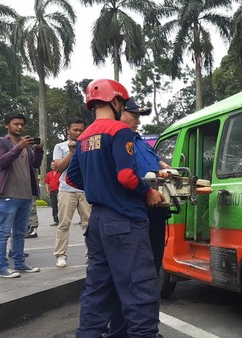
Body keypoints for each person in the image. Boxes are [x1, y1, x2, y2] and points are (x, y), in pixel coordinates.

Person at [66, 79, 164, 337]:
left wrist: (99, 181)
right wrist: (148, 192)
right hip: (124, 221)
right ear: (115, 101)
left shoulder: (85, 136)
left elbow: (72, 177)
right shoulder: (120, 131)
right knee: (140, 290)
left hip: (97, 222)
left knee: (97, 291)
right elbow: (126, 176)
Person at [121, 98, 171, 273]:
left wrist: (161, 163)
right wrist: (146, 191)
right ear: (119, 112)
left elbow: (150, 160)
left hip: (155, 205)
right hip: (137, 206)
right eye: (134, 115)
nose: (138, 120)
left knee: (154, 258)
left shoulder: (138, 139)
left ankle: (151, 297)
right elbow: (125, 175)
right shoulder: (117, 139)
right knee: (139, 263)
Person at [0, 112, 43, 278]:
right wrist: (18, 147)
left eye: (21, 124)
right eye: (16, 124)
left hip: (26, 196)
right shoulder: (0, 143)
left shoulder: (26, 146)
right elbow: (0, 162)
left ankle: (19, 263)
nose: (19, 127)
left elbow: (34, 164)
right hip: (7, 195)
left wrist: (39, 150)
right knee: (3, 233)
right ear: (7, 125)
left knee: (20, 233)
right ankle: (1, 268)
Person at [52, 118, 91, 268]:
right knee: (64, 223)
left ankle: (91, 254)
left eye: (81, 130)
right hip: (66, 190)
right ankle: (60, 255)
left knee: (89, 224)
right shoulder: (60, 146)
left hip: (85, 190)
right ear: (68, 130)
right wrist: (71, 152)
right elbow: (58, 168)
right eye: (75, 130)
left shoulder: (88, 145)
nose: (78, 132)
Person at [44, 162, 61, 226]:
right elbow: (47, 183)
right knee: (54, 206)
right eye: (51, 165)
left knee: (61, 206)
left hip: (59, 191)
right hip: (52, 191)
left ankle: (61, 220)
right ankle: (56, 220)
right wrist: (47, 192)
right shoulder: (48, 174)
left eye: (54, 165)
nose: (53, 166)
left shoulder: (60, 173)